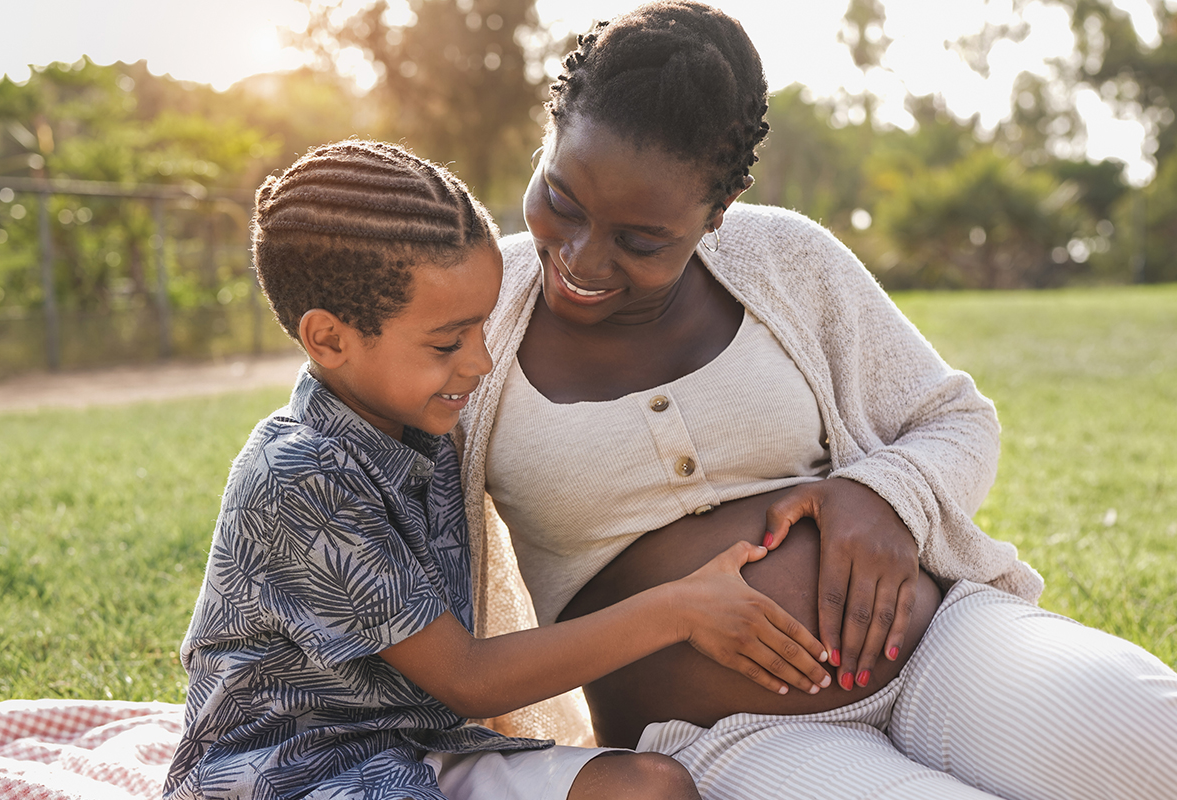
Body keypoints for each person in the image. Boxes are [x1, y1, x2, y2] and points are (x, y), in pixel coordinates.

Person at [457, 3, 1177, 799]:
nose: (584, 255)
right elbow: (336, 460)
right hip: (723, 739)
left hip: (940, 646)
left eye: (641, 239)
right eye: (561, 198)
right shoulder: (471, 313)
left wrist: (885, 494)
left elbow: (954, 420)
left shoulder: (786, 258)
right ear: (547, 142)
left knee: (1157, 740)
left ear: (714, 215)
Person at [162, 140, 836, 800]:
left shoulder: (422, 431)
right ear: (329, 339)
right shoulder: (299, 475)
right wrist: (681, 609)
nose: (480, 362)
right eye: (447, 341)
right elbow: (470, 679)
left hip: (415, 755)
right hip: (285, 773)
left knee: (648, 787)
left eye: (482, 326)